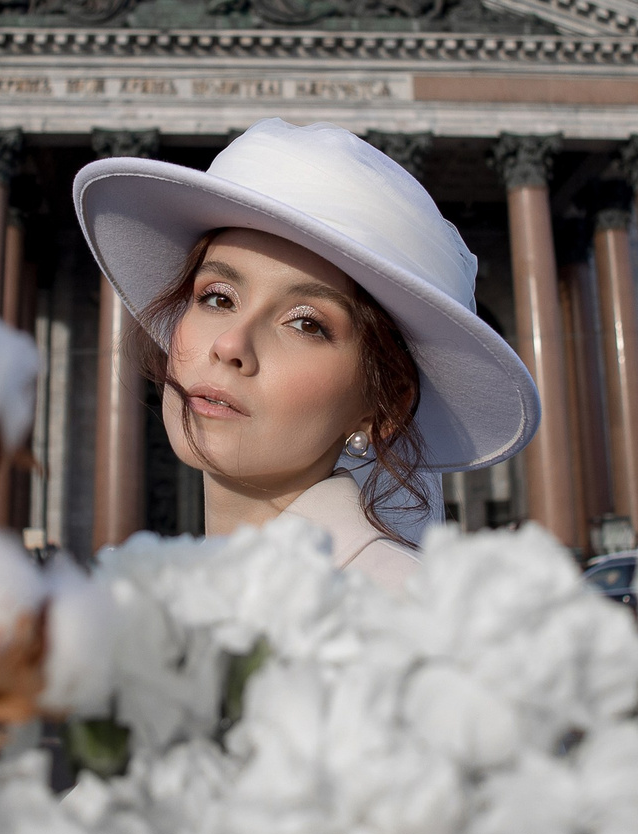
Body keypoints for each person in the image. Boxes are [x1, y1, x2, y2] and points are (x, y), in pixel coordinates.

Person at [73, 120, 540, 585]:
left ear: (384, 405)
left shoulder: (398, 623)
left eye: (305, 324)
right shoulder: (171, 602)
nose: (231, 344)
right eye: (217, 297)